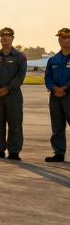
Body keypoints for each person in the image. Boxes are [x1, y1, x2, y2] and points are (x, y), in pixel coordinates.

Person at [0, 28, 26, 161]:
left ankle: (14, 152)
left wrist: (7, 89)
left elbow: (20, 76)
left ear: (12, 39)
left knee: (15, 124)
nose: (5, 39)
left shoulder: (19, 57)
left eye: (8, 37)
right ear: (0, 39)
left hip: (13, 95)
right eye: (2, 37)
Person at [45, 28, 70, 163]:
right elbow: (48, 77)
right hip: (55, 96)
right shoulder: (53, 59)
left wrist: (65, 87)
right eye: (60, 38)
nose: (62, 40)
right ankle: (59, 153)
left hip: (68, 93)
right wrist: (54, 88)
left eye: (65, 37)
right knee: (57, 126)